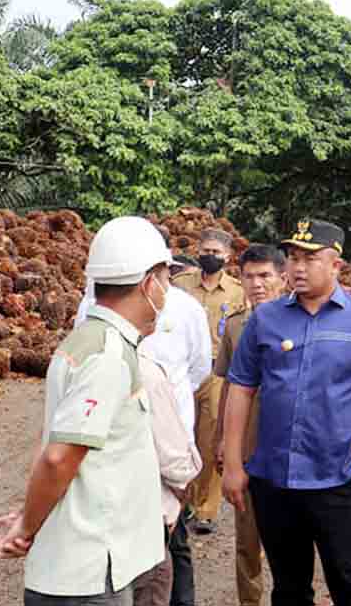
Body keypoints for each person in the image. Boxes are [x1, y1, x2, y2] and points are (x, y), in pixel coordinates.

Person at [222, 218, 351, 606]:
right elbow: (241, 389)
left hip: (334, 479)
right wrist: (232, 464)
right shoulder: (266, 318)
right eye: (293, 256)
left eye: (309, 258)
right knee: (289, 587)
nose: (297, 266)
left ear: (335, 264)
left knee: (350, 584)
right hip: (274, 479)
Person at [0, 216, 172, 605]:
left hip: (90, 563)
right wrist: (26, 529)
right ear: (149, 283)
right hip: (91, 571)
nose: (168, 290)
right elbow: (59, 457)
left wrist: (29, 510)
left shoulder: (87, 342)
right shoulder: (108, 356)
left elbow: (58, 440)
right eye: (166, 279)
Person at [76, 228, 212, 606]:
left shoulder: (187, 309)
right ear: (150, 279)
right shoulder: (120, 348)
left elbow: (200, 368)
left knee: (173, 545)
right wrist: (184, 474)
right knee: (148, 563)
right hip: (143, 457)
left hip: (167, 438)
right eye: (166, 276)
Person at [212, 244, 287, 606]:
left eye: (265, 276)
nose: (256, 284)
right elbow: (228, 385)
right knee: (247, 539)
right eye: (249, 276)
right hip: (246, 446)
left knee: (291, 539)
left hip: (288, 448)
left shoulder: (300, 321)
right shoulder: (237, 324)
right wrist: (223, 441)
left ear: (282, 278)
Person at [173, 228, 246, 535]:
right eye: (206, 250)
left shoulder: (237, 291)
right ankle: (181, 501)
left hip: (217, 372)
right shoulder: (179, 285)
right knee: (179, 435)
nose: (210, 257)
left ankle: (206, 508)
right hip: (183, 370)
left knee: (210, 437)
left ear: (228, 257)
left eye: (217, 253)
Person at [133, 353, 203, 606]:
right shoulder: (144, 371)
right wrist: (182, 485)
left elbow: (200, 367)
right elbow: (176, 463)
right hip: (146, 511)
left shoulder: (69, 356)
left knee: (178, 548)